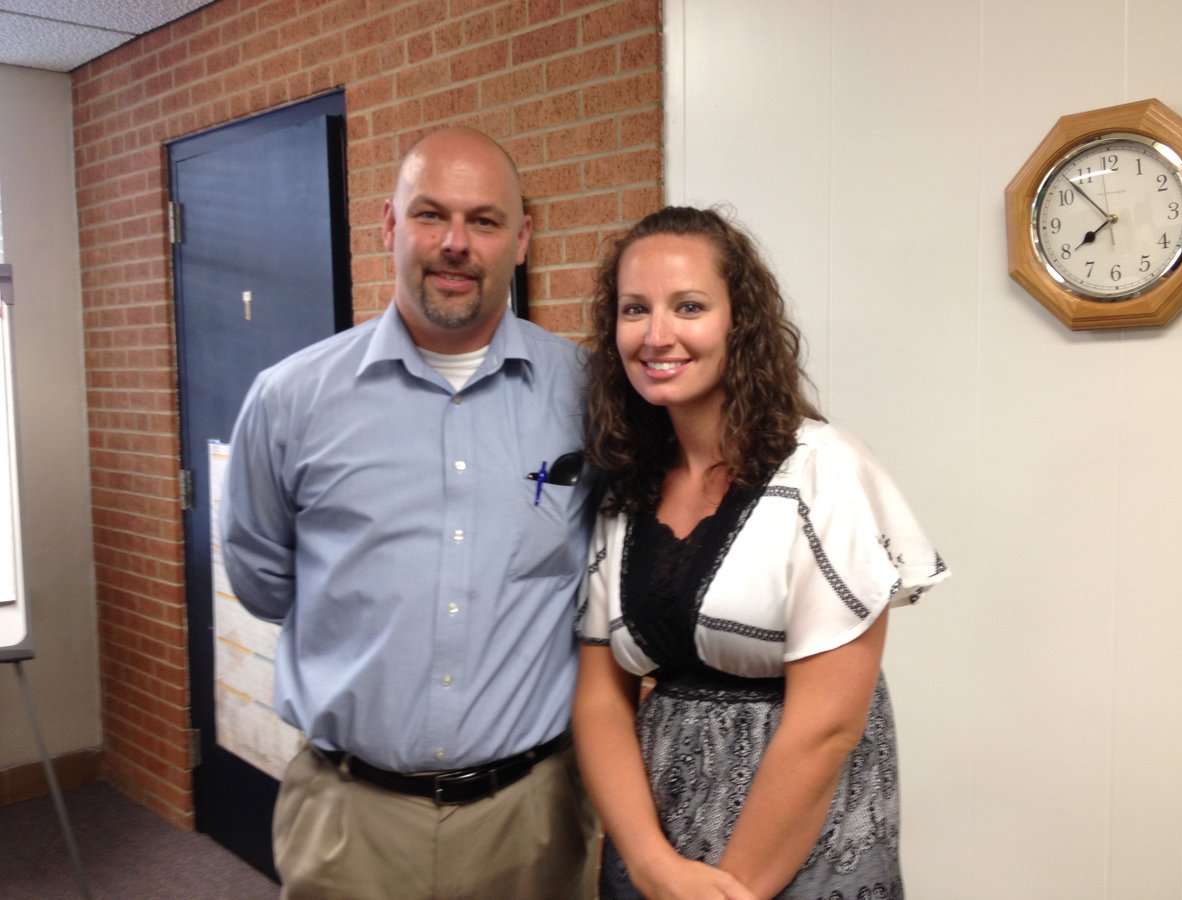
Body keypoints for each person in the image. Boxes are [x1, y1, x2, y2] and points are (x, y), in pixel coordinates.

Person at [220, 126, 600, 899]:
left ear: (521, 238)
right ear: (389, 226)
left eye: (485, 221)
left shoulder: (588, 396)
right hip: (350, 829)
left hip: (534, 823)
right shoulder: (291, 399)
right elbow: (264, 582)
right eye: (431, 215)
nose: (456, 243)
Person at [572, 206, 949, 900]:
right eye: (634, 309)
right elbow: (599, 701)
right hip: (658, 850)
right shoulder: (625, 489)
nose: (658, 335)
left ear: (738, 322)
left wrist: (729, 889)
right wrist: (653, 866)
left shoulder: (821, 471)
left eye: (689, 306)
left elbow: (828, 726)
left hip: (797, 853)